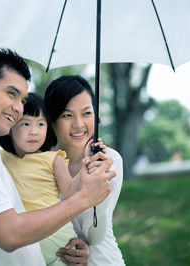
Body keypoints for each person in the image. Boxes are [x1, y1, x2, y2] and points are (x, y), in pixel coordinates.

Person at [0, 49, 116, 266]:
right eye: (11, 94)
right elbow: (10, 233)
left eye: (22, 99)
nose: (18, 108)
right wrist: (83, 198)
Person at [0, 93, 106, 265]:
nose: (34, 131)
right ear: (10, 127)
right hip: (25, 244)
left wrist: (86, 164)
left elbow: (71, 192)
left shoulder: (54, 159)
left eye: (41, 124)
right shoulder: (0, 157)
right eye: (26, 124)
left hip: (60, 245)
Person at [44, 75, 126, 265]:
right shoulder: (42, 163)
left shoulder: (110, 160)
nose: (79, 124)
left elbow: (94, 236)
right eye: (67, 115)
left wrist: (100, 185)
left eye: (87, 113)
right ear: (51, 119)